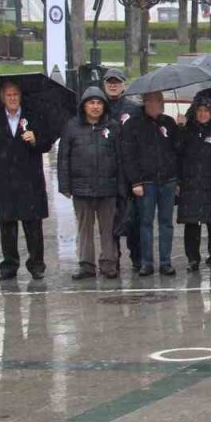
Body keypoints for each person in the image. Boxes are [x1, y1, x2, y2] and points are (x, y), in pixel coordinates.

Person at [0, 80, 53, 281]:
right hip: (5, 180)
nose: (12, 99)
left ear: (20, 97)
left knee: (33, 226)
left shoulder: (34, 117)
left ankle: (36, 264)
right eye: (8, 95)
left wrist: (35, 139)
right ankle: (9, 265)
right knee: (7, 225)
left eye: (15, 95)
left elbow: (47, 143)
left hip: (30, 180)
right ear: (3, 98)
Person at [58, 87, 122, 280]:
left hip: (107, 189)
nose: (95, 107)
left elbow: (120, 158)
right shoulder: (71, 127)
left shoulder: (113, 126)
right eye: (91, 102)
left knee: (108, 229)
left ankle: (109, 264)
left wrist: (120, 186)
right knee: (84, 229)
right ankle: (86, 265)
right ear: (84, 105)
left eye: (99, 103)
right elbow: (63, 158)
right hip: (81, 189)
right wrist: (65, 185)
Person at [120, 92, 180, 276]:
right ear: (145, 103)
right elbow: (128, 156)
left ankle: (165, 261)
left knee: (166, 223)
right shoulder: (133, 125)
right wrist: (135, 181)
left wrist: (182, 128)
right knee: (145, 223)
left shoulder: (169, 123)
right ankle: (146, 262)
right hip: (145, 182)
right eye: (153, 102)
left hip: (168, 181)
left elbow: (178, 151)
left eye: (160, 102)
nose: (157, 105)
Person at [177, 101, 211, 272]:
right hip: (191, 184)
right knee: (191, 225)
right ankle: (193, 258)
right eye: (199, 111)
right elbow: (178, 151)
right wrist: (181, 129)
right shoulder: (188, 131)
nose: (202, 114)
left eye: (206, 111)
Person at [103, 68, 142, 269]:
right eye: (109, 82)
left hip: (130, 171)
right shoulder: (98, 106)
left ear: (123, 85)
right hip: (108, 172)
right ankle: (113, 258)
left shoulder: (134, 109)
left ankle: (137, 258)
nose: (113, 85)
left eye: (116, 81)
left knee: (133, 218)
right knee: (111, 219)